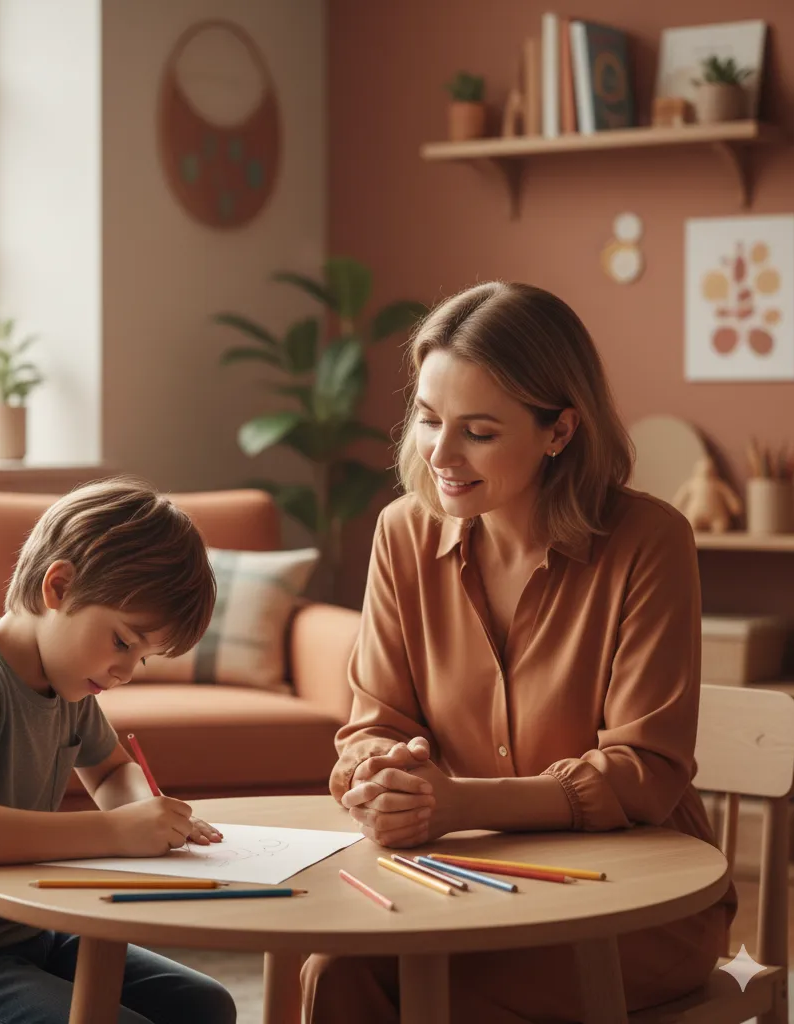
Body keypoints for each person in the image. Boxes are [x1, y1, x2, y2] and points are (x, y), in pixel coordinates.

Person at [302, 282, 737, 1023]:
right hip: (459, 882)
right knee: (336, 971)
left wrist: (459, 802)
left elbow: (645, 773)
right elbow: (371, 722)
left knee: (443, 995)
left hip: (631, 898)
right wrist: (382, 775)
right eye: (429, 419)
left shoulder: (649, 541)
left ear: (560, 431)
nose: (440, 453)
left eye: (478, 431)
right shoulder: (400, 534)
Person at [0, 476, 237, 1024]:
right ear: (58, 588)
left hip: (23, 930)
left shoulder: (68, 681)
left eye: (143, 658)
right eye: (123, 642)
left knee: (206, 1006)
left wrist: (141, 814)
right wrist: (115, 833)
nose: (127, 671)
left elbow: (109, 771)